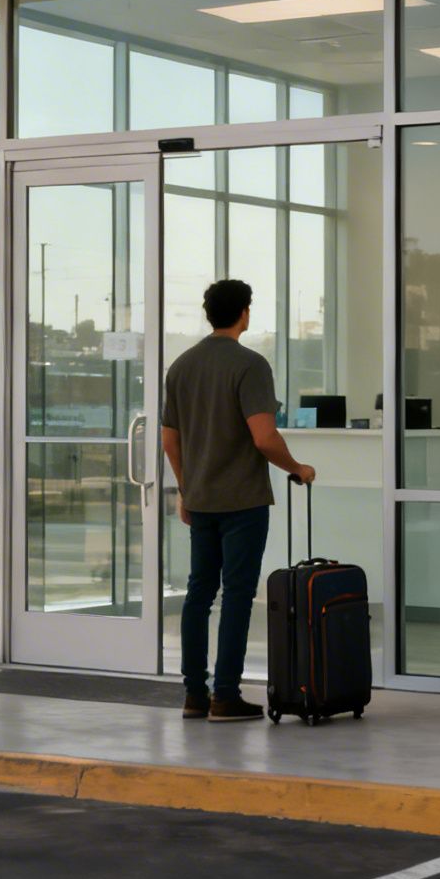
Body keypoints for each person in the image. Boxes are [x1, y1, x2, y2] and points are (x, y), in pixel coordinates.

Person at [160, 279, 315, 722]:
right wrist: (297, 468)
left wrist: (187, 488)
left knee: (198, 594)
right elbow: (264, 437)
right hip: (242, 501)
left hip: (203, 499)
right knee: (238, 596)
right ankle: (224, 696)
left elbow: (170, 441)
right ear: (244, 313)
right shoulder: (250, 365)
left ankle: (194, 694)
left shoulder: (182, 366)